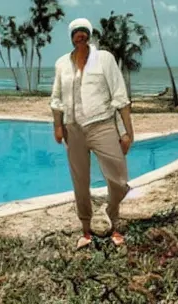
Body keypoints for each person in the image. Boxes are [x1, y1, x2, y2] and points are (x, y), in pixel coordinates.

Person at [49, 18, 135, 249]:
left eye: (84, 31)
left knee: (118, 177)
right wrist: (58, 126)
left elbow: (120, 95)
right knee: (80, 181)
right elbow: (56, 99)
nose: (80, 35)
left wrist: (128, 131)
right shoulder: (61, 64)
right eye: (76, 32)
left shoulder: (104, 59)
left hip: (102, 124)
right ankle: (86, 229)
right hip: (73, 129)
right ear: (71, 37)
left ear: (89, 35)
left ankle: (112, 219)